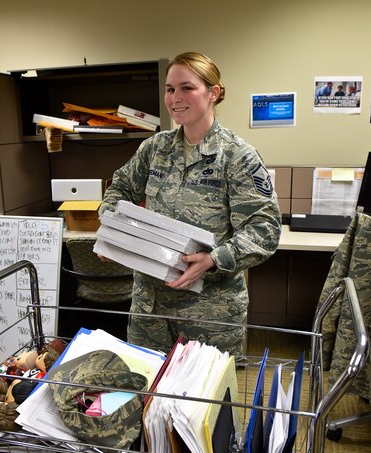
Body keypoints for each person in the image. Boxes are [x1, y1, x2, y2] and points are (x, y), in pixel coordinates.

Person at [99, 52, 281, 356]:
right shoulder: (154, 148)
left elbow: (264, 229)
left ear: (214, 93)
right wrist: (112, 230)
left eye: (187, 88)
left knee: (207, 399)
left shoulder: (237, 156)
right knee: (147, 394)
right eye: (170, 89)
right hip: (149, 310)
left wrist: (213, 259)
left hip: (208, 312)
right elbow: (118, 189)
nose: (175, 98)